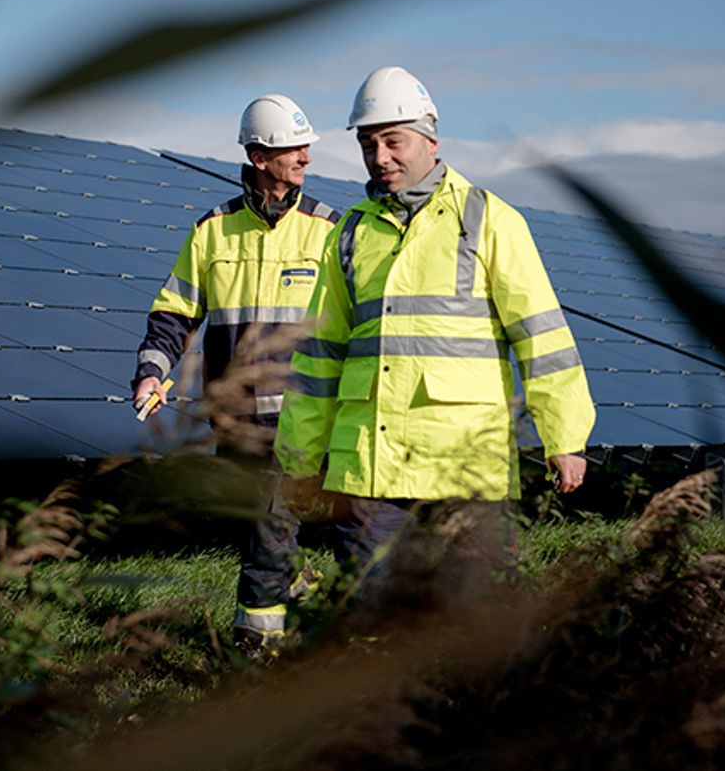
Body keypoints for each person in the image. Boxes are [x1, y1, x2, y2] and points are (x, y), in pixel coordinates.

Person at [275, 66, 595, 590]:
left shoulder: (490, 219)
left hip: (465, 469)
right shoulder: (349, 233)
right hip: (367, 471)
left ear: (430, 139)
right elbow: (318, 358)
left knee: (476, 626)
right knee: (370, 621)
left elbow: (542, 338)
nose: (380, 157)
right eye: (368, 144)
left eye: (392, 141)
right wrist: (298, 459)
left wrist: (565, 436)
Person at [132, 94, 340, 654]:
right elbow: (173, 314)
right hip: (234, 422)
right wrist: (151, 374)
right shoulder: (211, 231)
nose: (304, 158)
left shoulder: (329, 230)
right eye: (292, 148)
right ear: (257, 156)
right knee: (257, 522)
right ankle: (301, 584)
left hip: (301, 419)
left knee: (265, 527)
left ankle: (257, 648)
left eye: (305, 148)